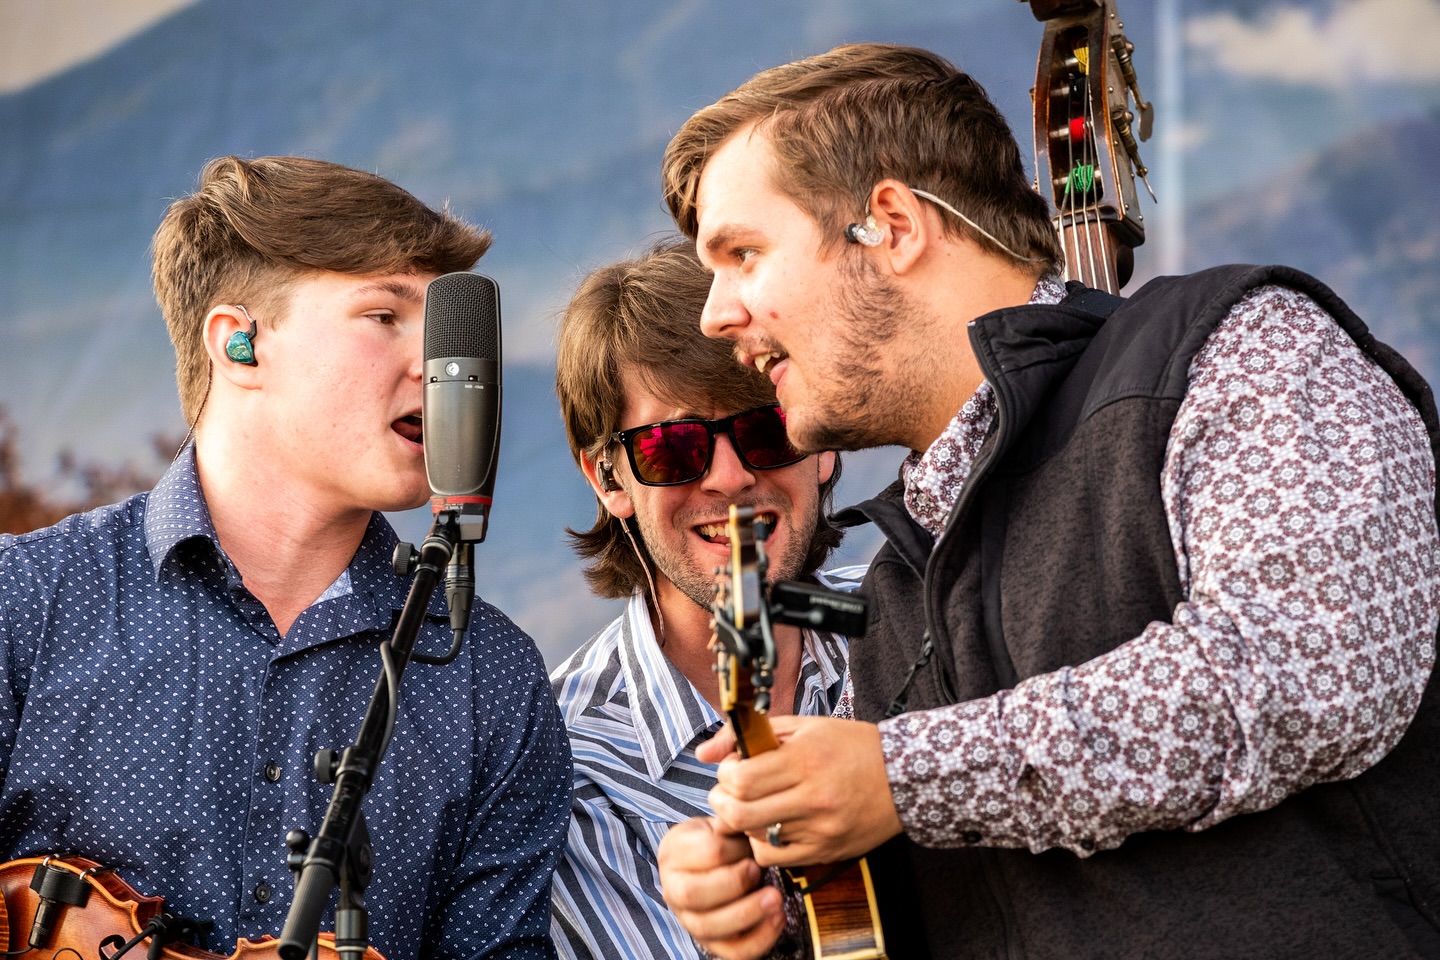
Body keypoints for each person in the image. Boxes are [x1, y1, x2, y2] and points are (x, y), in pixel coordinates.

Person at [653, 43, 1440, 960]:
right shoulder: (894, 585)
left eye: (743, 254)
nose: (714, 314)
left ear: (893, 226)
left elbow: (1311, 668)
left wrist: (899, 778)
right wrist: (779, 910)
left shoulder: (1236, 350)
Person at [0, 156, 571, 960]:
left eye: (443, 330)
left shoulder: (492, 676)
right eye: (384, 316)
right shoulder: (23, 604)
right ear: (240, 345)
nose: (435, 367)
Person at [548, 238, 861, 960]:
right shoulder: (569, 772)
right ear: (608, 479)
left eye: (765, 426)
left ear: (823, 437)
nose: (728, 477)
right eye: (673, 447)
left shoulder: (931, 611)